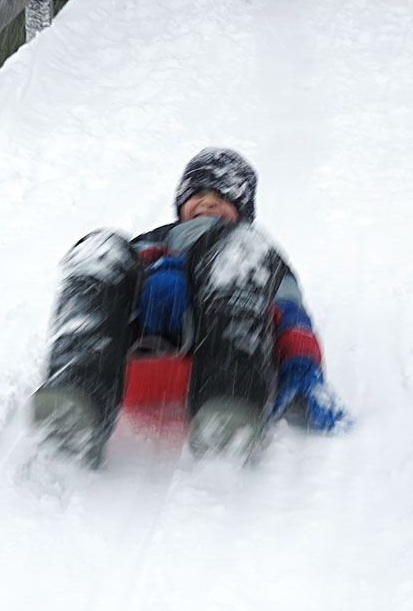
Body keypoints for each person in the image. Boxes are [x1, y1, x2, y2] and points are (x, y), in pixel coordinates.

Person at [30, 148, 350, 464]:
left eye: (224, 196)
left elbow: (291, 312)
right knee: (99, 248)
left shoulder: (251, 250)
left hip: (220, 336)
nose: (209, 201)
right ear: (181, 204)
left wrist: (303, 367)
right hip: (136, 336)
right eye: (197, 193)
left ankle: (230, 405)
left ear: (243, 211)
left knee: (238, 249)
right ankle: (77, 396)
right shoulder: (152, 240)